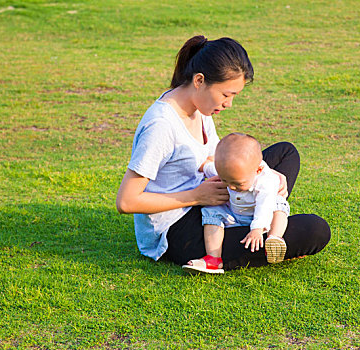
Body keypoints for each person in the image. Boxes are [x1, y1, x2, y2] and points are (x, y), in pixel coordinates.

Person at [116, 35, 330, 271]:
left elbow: (214, 159)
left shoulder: (201, 109)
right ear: (199, 80)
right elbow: (126, 201)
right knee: (315, 229)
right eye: (226, 94)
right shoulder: (161, 126)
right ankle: (256, 231)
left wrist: (265, 173)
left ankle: (260, 216)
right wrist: (197, 196)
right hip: (178, 228)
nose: (229, 104)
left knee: (285, 153)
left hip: (217, 197)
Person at [182, 132, 290, 275]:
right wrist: (202, 166)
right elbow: (209, 168)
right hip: (232, 214)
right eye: (225, 180)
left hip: (260, 217)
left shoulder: (267, 181)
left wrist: (257, 229)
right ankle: (213, 259)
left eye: (237, 183)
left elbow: (264, 207)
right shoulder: (228, 169)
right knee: (212, 211)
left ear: (257, 170)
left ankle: (274, 237)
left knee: (278, 204)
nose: (231, 187)